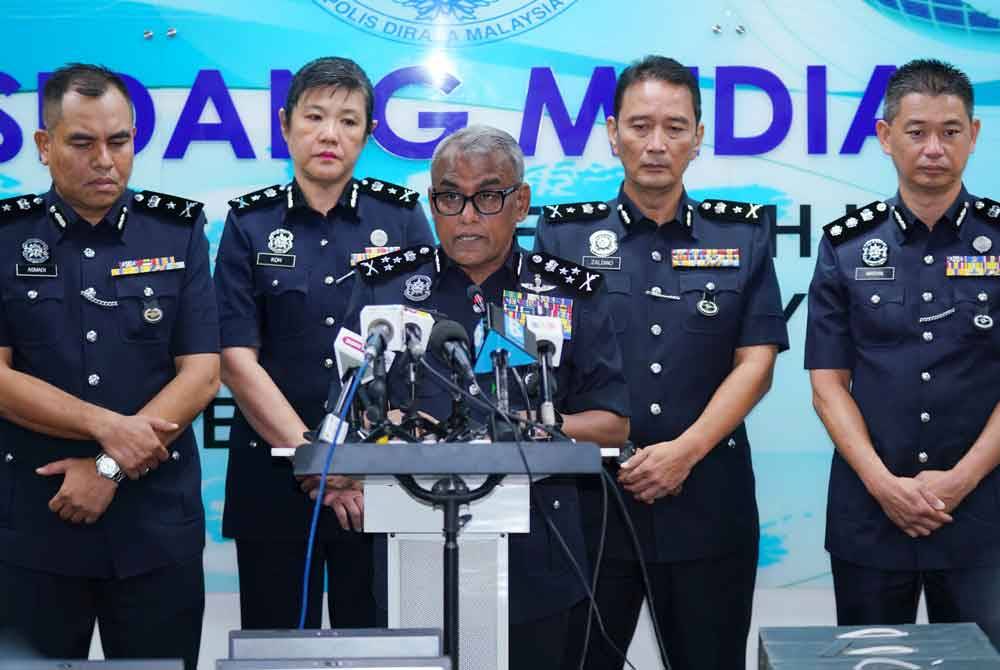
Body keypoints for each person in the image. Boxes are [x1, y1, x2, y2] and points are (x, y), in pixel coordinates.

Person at [342, 124, 630, 668]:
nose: (467, 215)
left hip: (537, 552)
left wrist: (534, 426)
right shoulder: (385, 289)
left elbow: (613, 422)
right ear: (432, 204)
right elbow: (350, 407)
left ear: (520, 203)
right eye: (451, 197)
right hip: (412, 547)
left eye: (488, 196)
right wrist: (390, 420)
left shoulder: (567, 292)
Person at [535, 55, 789, 670]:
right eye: (640, 125)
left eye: (675, 127)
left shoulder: (744, 236)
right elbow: (540, 365)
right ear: (612, 133)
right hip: (593, 510)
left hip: (709, 505)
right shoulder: (562, 238)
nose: (656, 144)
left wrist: (684, 452)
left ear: (698, 138)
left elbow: (756, 362)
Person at [0, 63, 219, 670]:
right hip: (36, 528)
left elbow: (201, 374)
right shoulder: (7, 236)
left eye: (119, 141)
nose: (105, 159)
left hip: (155, 530)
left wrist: (107, 465)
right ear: (44, 146)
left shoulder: (176, 232)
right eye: (82, 142)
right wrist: (109, 428)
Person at [213, 56, 435, 630]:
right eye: (314, 117)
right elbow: (236, 357)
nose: (330, 134)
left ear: (369, 134)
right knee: (276, 651)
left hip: (379, 482)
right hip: (274, 476)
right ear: (286, 124)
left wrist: (354, 463)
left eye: (348, 121)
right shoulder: (247, 224)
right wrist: (314, 457)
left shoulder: (404, 219)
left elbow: (423, 352)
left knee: (386, 652)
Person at [806, 58, 1000, 646]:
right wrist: (885, 485)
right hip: (871, 515)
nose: (934, 148)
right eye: (916, 132)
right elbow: (827, 384)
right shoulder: (846, 246)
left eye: (950, 131)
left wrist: (960, 481)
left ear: (974, 135)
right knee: (869, 661)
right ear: (886, 137)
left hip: (982, 517)